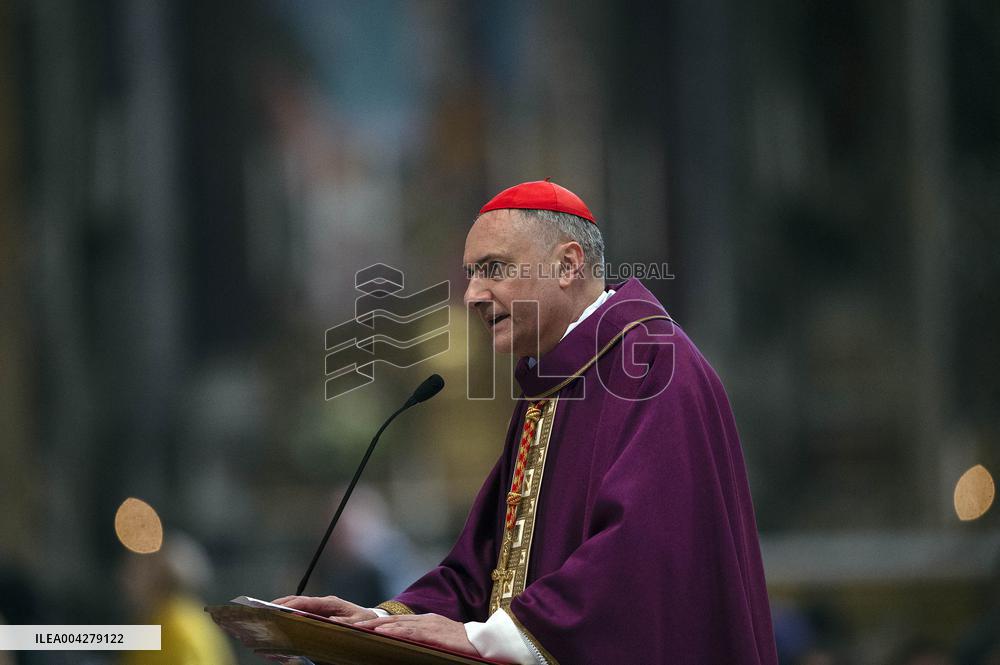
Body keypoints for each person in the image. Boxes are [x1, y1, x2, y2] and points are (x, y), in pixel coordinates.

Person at [276, 180, 778, 664]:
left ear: (567, 265)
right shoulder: (554, 381)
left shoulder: (654, 365)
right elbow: (485, 571)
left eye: (494, 269)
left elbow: (640, 558)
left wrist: (490, 637)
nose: (472, 294)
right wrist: (371, 625)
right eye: (471, 273)